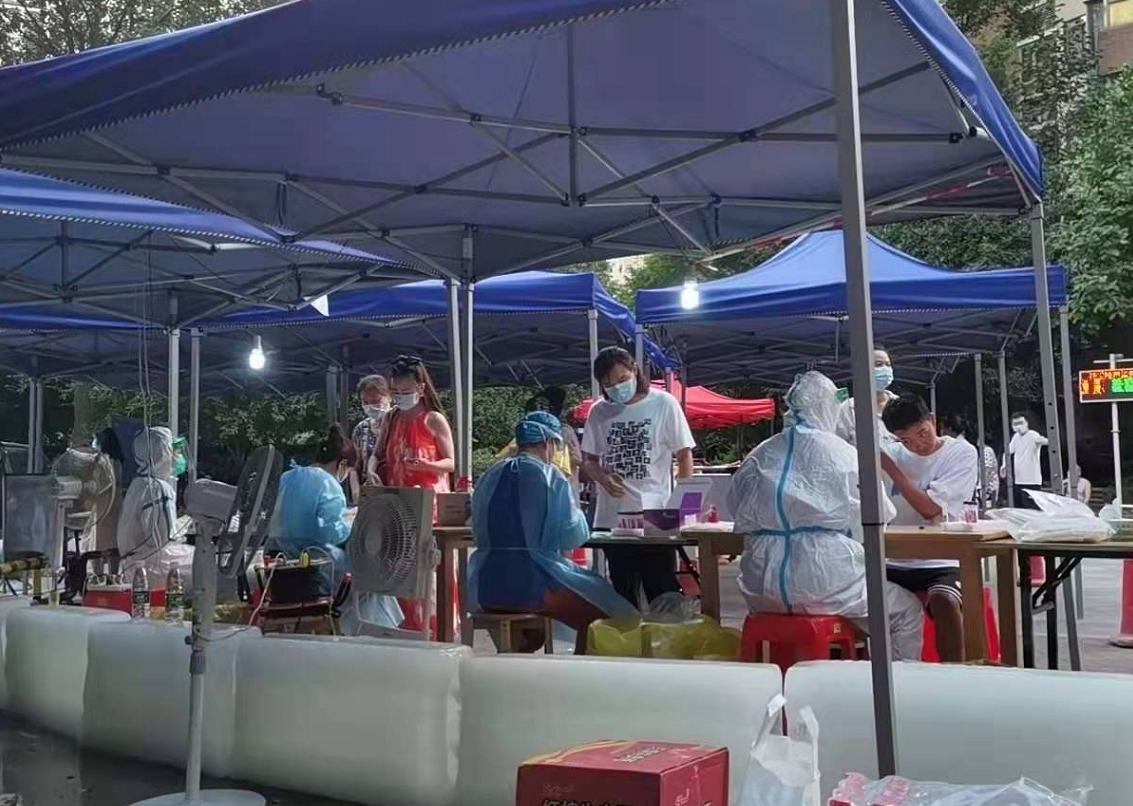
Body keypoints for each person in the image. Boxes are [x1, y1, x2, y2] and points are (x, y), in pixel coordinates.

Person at [727, 371, 923, 660]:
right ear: (829, 408)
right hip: (824, 580)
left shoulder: (759, 454)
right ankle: (896, 684)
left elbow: (734, 504)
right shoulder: (843, 454)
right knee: (906, 612)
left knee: (853, 604)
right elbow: (880, 512)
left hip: (761, 587)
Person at [471, 412, 637, 653]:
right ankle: (582, 670)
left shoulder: (490, 475)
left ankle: (514, 660)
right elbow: (573, 536)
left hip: (486, 584)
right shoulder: (549, 476)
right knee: (607, 619)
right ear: (549, 442)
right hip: (532, 581)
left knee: (531, 636)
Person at [582, 347, 696, 608]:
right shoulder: (599, 411)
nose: (617, 388)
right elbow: (589, 460)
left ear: (635, 370)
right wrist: (603, 479)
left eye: (622, 379)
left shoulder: (663, 403)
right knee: (623, 593)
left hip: (655, 516)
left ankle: (664, 633)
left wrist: (685, 506)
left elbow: (684, 454)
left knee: (662, 591)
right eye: (609, 385)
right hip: (613, 519)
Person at [268, 425, 402, 634]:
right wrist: (353, 527)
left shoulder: (287, 477)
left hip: (282, 563)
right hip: (316, 565)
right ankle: (374, 632)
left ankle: (367, 629)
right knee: (373, 580)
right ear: (343, 464)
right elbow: (330, 533)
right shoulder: (328, 483)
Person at [881, 395, 978, 662]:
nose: (918, 445)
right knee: (865, 596)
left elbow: (931, 509)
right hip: (895, 561)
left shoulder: (961, 453)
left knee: (944, 600)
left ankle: (953, 671)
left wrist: (892, 470)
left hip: (942, 560)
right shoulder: (891, 453)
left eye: (922, 433)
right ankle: (889, 670)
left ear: (933, 420)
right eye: (906, 441)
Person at [381, 354, 456, 635]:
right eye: (396, 392)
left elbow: (451, 462)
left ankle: (437, 631)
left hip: (430, 509)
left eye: (406, 391)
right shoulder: (391, 419)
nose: (400, 397)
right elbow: (377, 454)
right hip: (399, 507)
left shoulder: (433, 419)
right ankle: (409, 632)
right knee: (403, 574)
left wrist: (427, 465)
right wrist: (373, 469)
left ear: (421, 388)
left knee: (429, 577)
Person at [116, 427, 191, 591]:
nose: (178, 457)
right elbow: (164, 538)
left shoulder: (139, 483)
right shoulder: (157, 488)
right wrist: (190, 521)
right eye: (175, 451)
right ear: (162, 453)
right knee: (212, 564)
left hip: (135, 565)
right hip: (153, 567)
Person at [493, 388, 582, 491]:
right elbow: (578, 458)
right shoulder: (564, 431)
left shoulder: (531, 429)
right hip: (557, 486)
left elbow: (502, 457)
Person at [835, 347, 899, 448]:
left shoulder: (902, 404)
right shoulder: (848, 408)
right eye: (878, 364)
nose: (885, 369)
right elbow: (840, 446)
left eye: (888, 364)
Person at [940, 415, 999, 508]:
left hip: (971, 492)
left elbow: (986, 471)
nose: (941, 432)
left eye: (943, 428)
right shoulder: (959, 446)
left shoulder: (963, 448)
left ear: (950, 429)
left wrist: (980, 487)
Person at [351, 374, 391, 493]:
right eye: (365, 402)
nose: (370, 406)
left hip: (399, 490)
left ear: (390, 397)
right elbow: (354, 467)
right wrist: (356, 492)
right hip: (369, 493)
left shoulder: (401, 424)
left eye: (376, 401)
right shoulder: (361, 428)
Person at [1001, 412, 1048, 509]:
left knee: (1032, 508)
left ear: (1026, 423)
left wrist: (1044, 441)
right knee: (1019, 507)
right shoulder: (1016, 437)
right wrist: (1004, 465)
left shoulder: (1033, 435)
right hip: (1019, 480)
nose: (1018, 426)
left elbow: (1041, 440)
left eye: (1020, 423)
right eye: (1015, 424)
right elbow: (1007, 452)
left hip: (1032, 480)